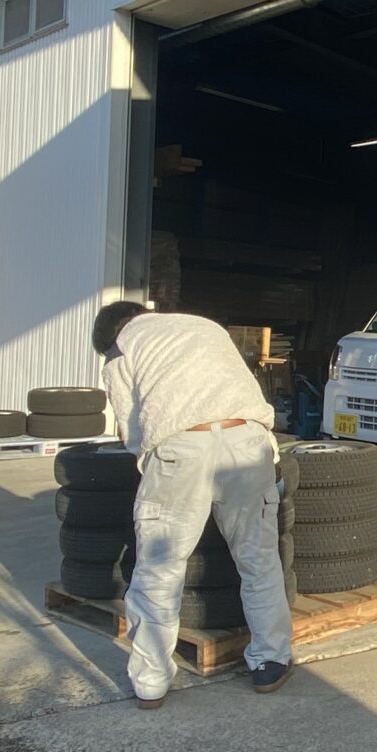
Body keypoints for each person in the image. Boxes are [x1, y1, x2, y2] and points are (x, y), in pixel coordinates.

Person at [94, 300, 296, 707]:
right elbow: (244, 389)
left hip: (182, 445)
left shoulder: (123, 348)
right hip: (247, 441)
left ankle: (151, 682)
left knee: (160, 568)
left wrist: (153, 470)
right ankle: (270, 662)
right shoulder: (206, 327)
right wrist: (271, 454)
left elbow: (133, 428)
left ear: (112, 335)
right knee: (259, 559)